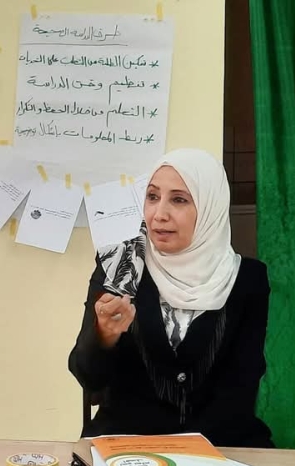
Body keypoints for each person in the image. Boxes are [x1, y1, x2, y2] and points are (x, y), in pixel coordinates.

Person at [68, 148, 274, 448]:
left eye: (179, 200)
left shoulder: (246, 279)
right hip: (125, 445)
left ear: (211, 207)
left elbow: (241, 385)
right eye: (152, 197)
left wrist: (184, 456)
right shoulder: (120, 267)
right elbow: (89, 378)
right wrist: (103, 336)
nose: (159, 214)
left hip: (220, 445)